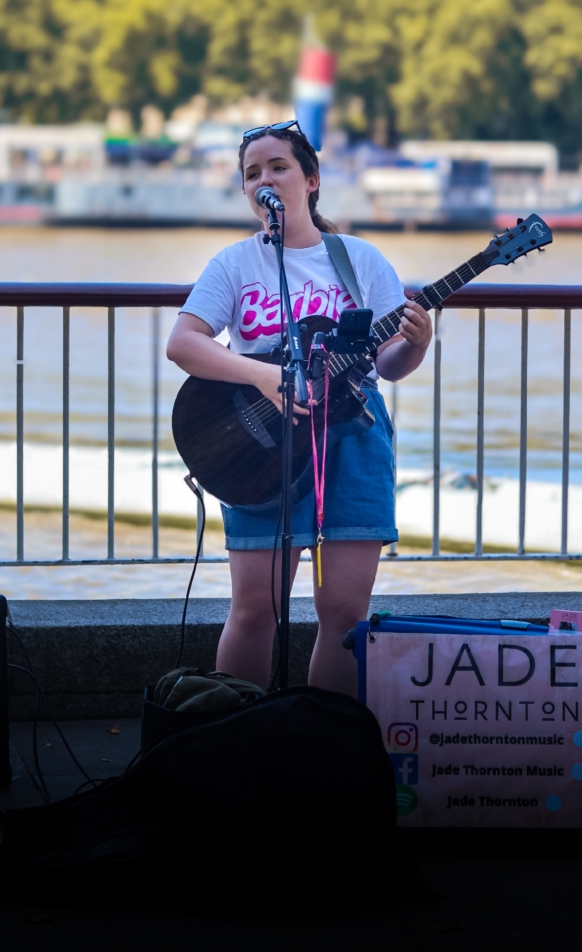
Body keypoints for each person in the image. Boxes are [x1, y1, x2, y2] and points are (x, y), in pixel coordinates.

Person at [167, 121, 432, 695]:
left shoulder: (359, 259)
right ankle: (239, 733)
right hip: (261, 445)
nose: (264, 180)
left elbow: (389, 364)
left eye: (278, 167)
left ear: (311, 180)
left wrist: (416, 343)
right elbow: (183, 344)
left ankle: (320, 738)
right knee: (255, 611)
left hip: (353, 438)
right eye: (252, 174)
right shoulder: (234, 264)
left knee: (345, 617)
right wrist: (265, 375)